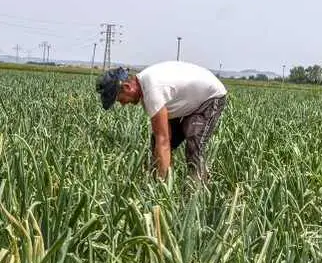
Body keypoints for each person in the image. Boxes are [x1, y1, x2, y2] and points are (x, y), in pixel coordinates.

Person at [96, 60, 229, 181]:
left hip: (211, 96)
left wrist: (162, 185)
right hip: (190, 98)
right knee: (157, 142)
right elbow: (165, 137)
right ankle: (159, 181)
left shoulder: (152, 91)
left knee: (194, 141)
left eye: (120, 99)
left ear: (126, 87)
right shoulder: (145, 85)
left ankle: (197, 193)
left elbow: (163, 141)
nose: (123, 104)